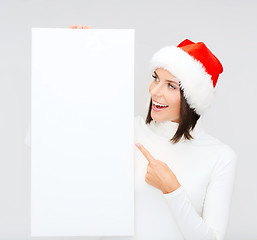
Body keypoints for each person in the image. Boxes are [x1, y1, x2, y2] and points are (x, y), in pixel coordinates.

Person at [25, 25, 237, 240]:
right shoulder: (125, 130)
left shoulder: (220, 157)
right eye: (156, 78)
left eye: (171, 86)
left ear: (192, 99)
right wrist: (72, 57)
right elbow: (43, 141)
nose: (154, 91)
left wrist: (172, 189)